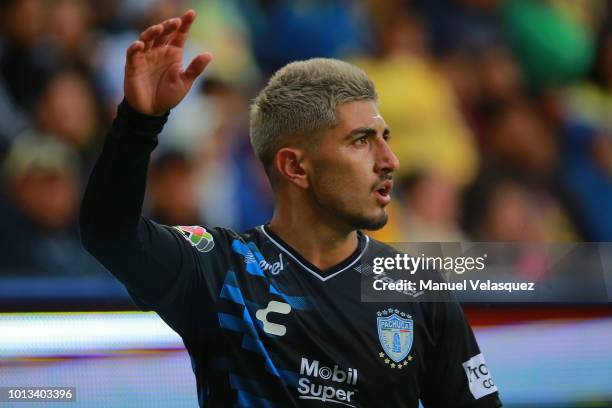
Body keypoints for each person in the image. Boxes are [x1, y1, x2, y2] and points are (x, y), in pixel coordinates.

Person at [80, 10, 502, 407]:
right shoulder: (221, 271)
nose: (389, 159)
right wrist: (138, 122)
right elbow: (111, 236)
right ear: (295, 166)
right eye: (361, 141)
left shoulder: (417, 290)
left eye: (384, 137)